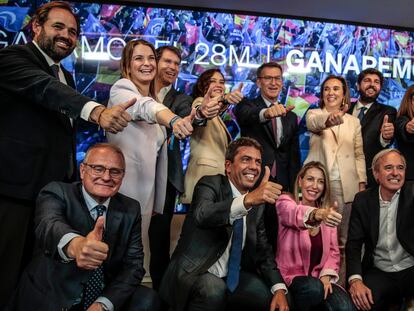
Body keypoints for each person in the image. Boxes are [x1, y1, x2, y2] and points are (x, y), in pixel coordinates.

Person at [0, 2, 136, 305]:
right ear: (36, 27)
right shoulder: (13, 58)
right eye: (58, 27)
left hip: (48, 199)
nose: (66, 35)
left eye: (73, 32)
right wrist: (97, 111)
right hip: (13, 194)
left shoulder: (66, 75)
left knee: (34, 280)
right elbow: (46, 89)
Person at [9, 143, 160, 311]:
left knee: (147, 299)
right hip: (55, 293)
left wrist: (103, 304)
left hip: (100, 294)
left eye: (115, 171)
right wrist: (76, 245)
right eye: (98, 168)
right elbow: (49, 225)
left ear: (122, 176)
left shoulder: (131, 208)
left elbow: (134, 265)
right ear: (82, 170)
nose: (106, 177)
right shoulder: (57, 192)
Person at [160, 137, 289, 311]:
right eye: (246, 159)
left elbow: (263, 251)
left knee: (266, 298)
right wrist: (246, 201)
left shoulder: (257, 205)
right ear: (228, 166)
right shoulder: (210, 183)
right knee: (213, 290)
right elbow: (202, 215)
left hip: (231, 276)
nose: (254, 166)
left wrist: (279, 288)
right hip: (195, 272)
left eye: (258, 162)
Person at [106, 40, 195, 263]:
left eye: (150, 59)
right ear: (127, 66)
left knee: (135, 262)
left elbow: (159, 160)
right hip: (121, 196)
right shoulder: (121, 89)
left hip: (144, 202)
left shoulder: (155, 99)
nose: (147, 63)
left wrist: (155, 202)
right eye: (139, 58)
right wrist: (173, 119)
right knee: (114, 259)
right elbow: (145, 107)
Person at [304, 75, 366, 285]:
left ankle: (340, 286)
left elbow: (359, 154)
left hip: (346, 187)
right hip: (319, 186)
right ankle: (314, 281)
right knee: (316, 236)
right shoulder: (314, 114)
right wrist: (328, 120)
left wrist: (362, 183)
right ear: (322, 94)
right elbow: (314, 124)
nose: (331, 93)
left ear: (343, 94)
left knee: (343, 241)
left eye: (336, 89)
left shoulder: (354, 122)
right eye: (327, 89)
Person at [233, 61, 300, 252]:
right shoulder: (247, 105)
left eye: (277, 78)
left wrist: (293, 187)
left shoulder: (290, 115)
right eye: (268, 78)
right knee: (251, 233)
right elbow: (247, 115)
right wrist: (266, 113)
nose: (273, 82)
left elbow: (292, 154)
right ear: (259, 82)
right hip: (253, 182)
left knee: (275, 233)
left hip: (282, 184)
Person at [276, 161, 355, 311]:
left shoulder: (327, 213)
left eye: (320, 181)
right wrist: (317, 214)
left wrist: (326, 275)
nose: (315, 186)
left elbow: (333, 252)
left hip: (320, 279)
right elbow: (293, 214)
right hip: (291, 278)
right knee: (314, 289)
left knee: (344, 307)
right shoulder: (286, 201)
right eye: (310, 179)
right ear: (300, 180)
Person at [148, 45, 195, 290]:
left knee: (159, 241)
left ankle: (160, 295)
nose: (173, 68)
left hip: (165, 179)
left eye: (177, 64)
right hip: (132, 174)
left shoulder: (181, 99)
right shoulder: (135, 90)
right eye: (168, 61)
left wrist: (199, 114)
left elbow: (191, 118)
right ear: (154, 62)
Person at [346, 149, 414, 311]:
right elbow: (353, 245)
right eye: (389, 168)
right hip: (380, 271)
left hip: (411, 268)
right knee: (359, 303)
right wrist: (355, 280)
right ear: (376, 174)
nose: (395, 173)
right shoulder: (362, 200)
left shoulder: (412, 192)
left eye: (400, 168)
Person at [181, 68, 244, 205]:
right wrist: (224, 98)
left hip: (214, 178)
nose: (219, 85)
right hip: (203, 176)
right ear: (203, 85)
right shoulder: (199, 102)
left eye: (221, 82)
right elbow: (202, 111)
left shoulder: (218, 115)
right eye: (213, 81)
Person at [348, 68, 396, 187]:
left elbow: (383, 142)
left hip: (369, 176)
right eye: (367, 80)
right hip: (342, 172)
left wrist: (385, 137)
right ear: (358, 86)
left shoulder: (387, 111)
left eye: (376, 82)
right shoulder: (344, 109)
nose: (372, 85)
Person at [395, 85, 414, 181]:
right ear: (409, 102)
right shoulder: (402, 119)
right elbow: (404, 127)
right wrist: (408, 128)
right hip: (410, 181)